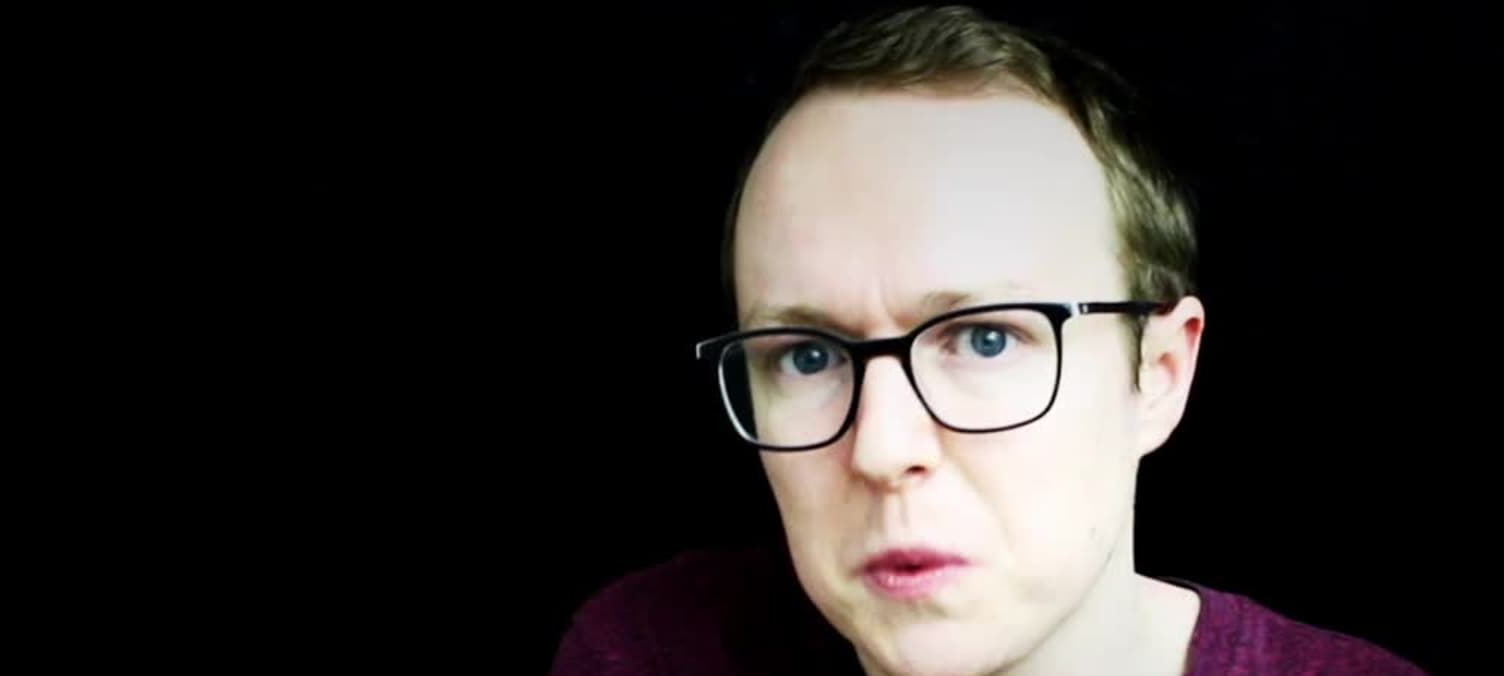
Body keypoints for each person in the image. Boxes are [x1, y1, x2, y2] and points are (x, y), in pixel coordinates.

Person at [552, 5, 1426, 675]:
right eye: (807, 356)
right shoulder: (650, 653)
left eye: (984, 341)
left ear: (1159, 373)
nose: (883, 451)